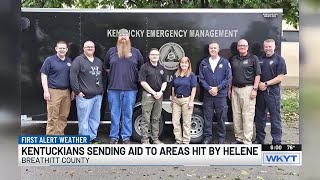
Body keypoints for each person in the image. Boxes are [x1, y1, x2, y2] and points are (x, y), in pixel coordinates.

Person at [104, 28, 144, 144]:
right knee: (114, 114)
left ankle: (126, 137)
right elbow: (106, 67)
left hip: (130, 89)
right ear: (118, 38)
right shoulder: (111, 51)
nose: (123, 37)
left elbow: (141, 68)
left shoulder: (136, 52)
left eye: (125, 35)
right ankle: (114, 137)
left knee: (128, 114)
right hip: (113, 89)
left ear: (129, 37)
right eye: (121, 35)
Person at [70, 41, 104, 144]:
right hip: (84, 96)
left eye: (92, 47)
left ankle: (92, 137)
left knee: (95, 119)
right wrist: (77, 91)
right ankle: (84, 139)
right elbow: (73, 76)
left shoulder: (98, 61)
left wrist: (101, 91)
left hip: (97, 96)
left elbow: (103, 77)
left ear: (94, 48)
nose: (90, 48)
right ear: (83, 49)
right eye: (87, 47)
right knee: (83, 119)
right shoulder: (78, 60)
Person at [254, 39, 287, 145]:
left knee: (275, 118)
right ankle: (260, 139)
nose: (268, 48)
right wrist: (259, 85)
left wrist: (266, 84)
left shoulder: (279, 60)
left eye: (270, 46)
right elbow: (256, 75)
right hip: (260, 93)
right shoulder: (259, 59)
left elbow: (280, 77)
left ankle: (276, 142)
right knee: (260, 117)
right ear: (264, 47)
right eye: (266, 46)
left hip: (273, 93)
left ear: (274, 47)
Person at [229, 39, 261, 144]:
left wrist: (255, 89)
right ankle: (239, 138)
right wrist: (229, 89)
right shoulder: (233, 59)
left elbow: (257, 75)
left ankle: (247, 140)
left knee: (247, 115)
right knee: (236, 114)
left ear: (247, 47)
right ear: (237, 47)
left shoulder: (253, 58)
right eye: (240, 45)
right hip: (234, 89)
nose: (242, 47)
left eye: (244, 45)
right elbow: (230, 75)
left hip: (248, 89)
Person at [199, 41, 232, 144]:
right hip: (208, 96)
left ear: (218, 49)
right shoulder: (204, 63)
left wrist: (217, 88)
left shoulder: (225, 62)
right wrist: (209, 88)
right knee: (207, 118)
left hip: (221, 95)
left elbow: (228, 78)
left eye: (215, 48)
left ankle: (221, 138)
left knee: (221, 118)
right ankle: (207, 138)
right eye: (211, 48)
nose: (213, 50)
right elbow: (201, 79)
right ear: (208, 50)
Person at [40, 41, 73, 135]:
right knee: (53, 116)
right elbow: (43, 75)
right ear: (56, 49)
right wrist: (46, 91)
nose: (62, 50)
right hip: (53, 91)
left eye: (64, 48)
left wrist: (73, 91)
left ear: (66, 50)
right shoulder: (49, 60)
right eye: (60, 48)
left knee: (63, 116)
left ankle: (59, 136)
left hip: (66, 92)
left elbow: (72, 77)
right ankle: (50, 138)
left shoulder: (69, 61)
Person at [139, 48, 167, 144]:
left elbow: (165, 82)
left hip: (159, 96)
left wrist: (160, 92)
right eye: (153, 54)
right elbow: (143, 82)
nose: (155, 56)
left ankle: (155, 139)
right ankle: (145, 140)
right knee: (145, 119)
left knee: (156, 118)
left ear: (159, 56)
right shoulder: (144, 67)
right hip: (148, 96)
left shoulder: (162, 68)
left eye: (156, 54)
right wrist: (153, 93)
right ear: (149, 56)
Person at [172, 57, 197, 144]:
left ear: (188, 64)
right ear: (179, 64)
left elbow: (194, 88)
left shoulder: (191, 75)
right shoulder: (176, 74)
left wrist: (191, 101)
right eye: (182, 63)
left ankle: (186, 141)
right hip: (176, 101)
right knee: (175, 121)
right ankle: (178, 140)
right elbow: (173, 87)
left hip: (186, 99)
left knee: (186, 122)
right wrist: (173, 98)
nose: (184, 64)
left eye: (186, 63)